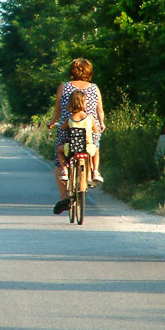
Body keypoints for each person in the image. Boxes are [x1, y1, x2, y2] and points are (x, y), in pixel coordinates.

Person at [47, 58, 105, 214]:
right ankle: (93, 172)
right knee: (93, 148)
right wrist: (101, 124)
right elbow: (100, 111)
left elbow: (57, 111)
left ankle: (63, 196)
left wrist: (52, 122)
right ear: (89, 72)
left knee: (60, 159)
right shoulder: (94, 88)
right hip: (89, 131)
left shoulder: (64, 87)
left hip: (69, 132)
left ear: (72, 71)